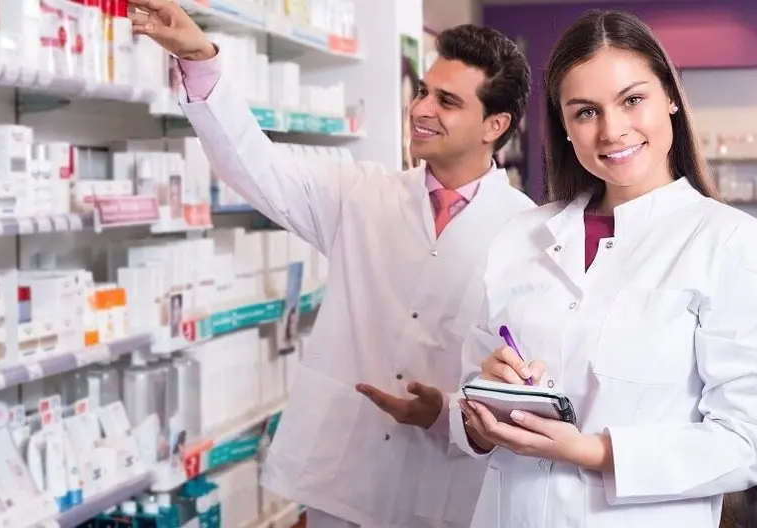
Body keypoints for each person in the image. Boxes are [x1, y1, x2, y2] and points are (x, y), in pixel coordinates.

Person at [127, 2, 535, 526]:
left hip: (448, 491)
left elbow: (521, 380)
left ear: (493, 125)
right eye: (423, 92)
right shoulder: (360, 193)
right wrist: (201, 58)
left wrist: (449, 414)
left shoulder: (528, 234)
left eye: (448, 101)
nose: (422, 109)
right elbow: (254, 164)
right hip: (345, 480)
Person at [449, 10, 757, 528]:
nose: (612, 130)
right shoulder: (522, 237)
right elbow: (467, 406)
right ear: (564, 126)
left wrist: (594, 452)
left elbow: (750, 439)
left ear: (671, 98)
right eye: (585, 112)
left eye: (633, 100)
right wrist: (484, 413)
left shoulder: (730, 243)